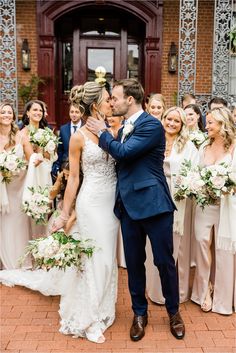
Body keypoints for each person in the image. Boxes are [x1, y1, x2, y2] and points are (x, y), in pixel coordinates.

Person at [0, 82, 119, 344]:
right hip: (91, 202)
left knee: (108, 257)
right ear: (95, 103)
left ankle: (103, 306)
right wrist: (65, 215)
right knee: (92, 257)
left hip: (112, 204)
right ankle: (88, 314)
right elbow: (74, 178)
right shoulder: (78, 137)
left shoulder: (113, 130)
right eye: (107, 98)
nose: (111, 102)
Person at [86, 78, 185, 341]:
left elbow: (125, 153)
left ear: (130, 99)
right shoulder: (126, 126)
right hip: (128, 207)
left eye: (115, 98)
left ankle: (174, 313)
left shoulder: (151, 124)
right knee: (134, 263)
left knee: (164, 262)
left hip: (154, 206)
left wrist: (102, 133)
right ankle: (139, 313)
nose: (112, 102)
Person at [145, 107, 198, 304]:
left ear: (182, 124)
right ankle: (155, 291)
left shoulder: (189, 147)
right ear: (163, 119)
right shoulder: (154, 140)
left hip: (178, 197)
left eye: (177, 121)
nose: (172, 123)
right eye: (169, 119)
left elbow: (194, 171)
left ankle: (178, 291)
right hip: (154, 194)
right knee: (154, 243)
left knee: (176, 245)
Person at [191, 107, 236, 315]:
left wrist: (227, 184)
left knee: (223, 249)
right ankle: (204, 290)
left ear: (222, 125)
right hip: (204, 204)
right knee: (201, 243)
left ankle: (223, 296)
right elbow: (195, 173)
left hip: (226, 207)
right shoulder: (203, 146)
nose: (206, 126)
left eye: (210, 123)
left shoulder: (234, 147)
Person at [0, 102, 33, 269]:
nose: (6, 115)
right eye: (3, 112)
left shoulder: (20, 136)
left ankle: (20, 260)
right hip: (2, 189)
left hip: (18, 187)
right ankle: (6, 262)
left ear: (14, 116)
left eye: (9, 112)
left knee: (18, 223)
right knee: (4, 223)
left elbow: (31, 158)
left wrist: (42, 157)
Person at [52, 104, 83, 178]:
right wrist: (57, 165)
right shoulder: (63, 129)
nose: (74, 114)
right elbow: (60, 150)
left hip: (83, 166)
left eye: (77, 112)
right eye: (72, 112)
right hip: (66, 166)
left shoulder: (85, 128)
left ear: (81, 114)